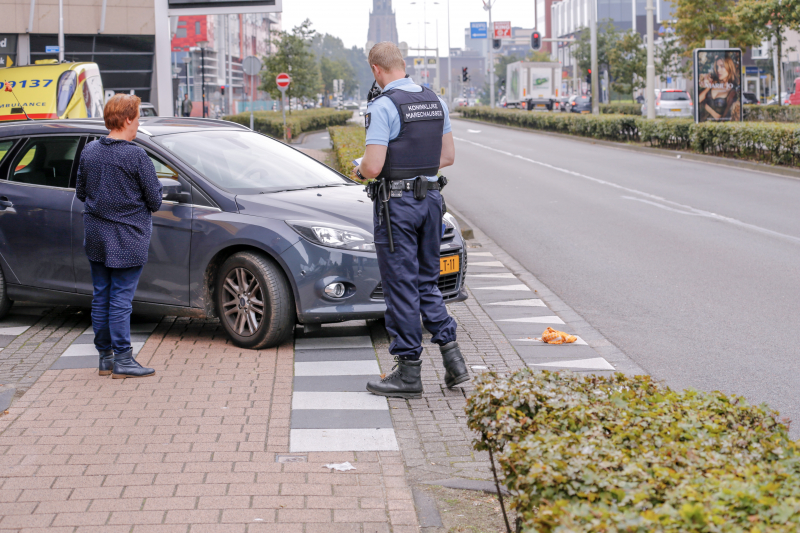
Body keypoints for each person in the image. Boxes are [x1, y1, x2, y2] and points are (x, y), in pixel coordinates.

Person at [354, 42, 468, 399]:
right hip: (432, 201)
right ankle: (454, 362)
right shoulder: (436, 101)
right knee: (426, 281)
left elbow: (372, 167)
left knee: (401, 285)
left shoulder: (383, 106)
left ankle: (408, 374)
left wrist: (359, 169)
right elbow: (447, 157)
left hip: (397, 207)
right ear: (403, 64)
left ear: (376, 69)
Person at [75, 94, 162, 379]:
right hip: (128, 237)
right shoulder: (136, 155)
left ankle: (105, 359)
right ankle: (124, 359)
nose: (138, 123)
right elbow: (155, 201)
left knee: (101, 296)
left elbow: (81, 193)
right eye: (137, 117)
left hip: (97, 234)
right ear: (127, 119)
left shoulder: (89, 151)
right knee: (121, 299)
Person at [698, 56, 740, 122]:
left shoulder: (732, 90)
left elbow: (724, 118)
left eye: (722, 66)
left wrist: (707, 107)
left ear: (729, 67)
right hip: (702, 123)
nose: (718, 70)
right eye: (717, 67)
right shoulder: (713, 84)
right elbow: (698, 100)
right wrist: (709, 86)